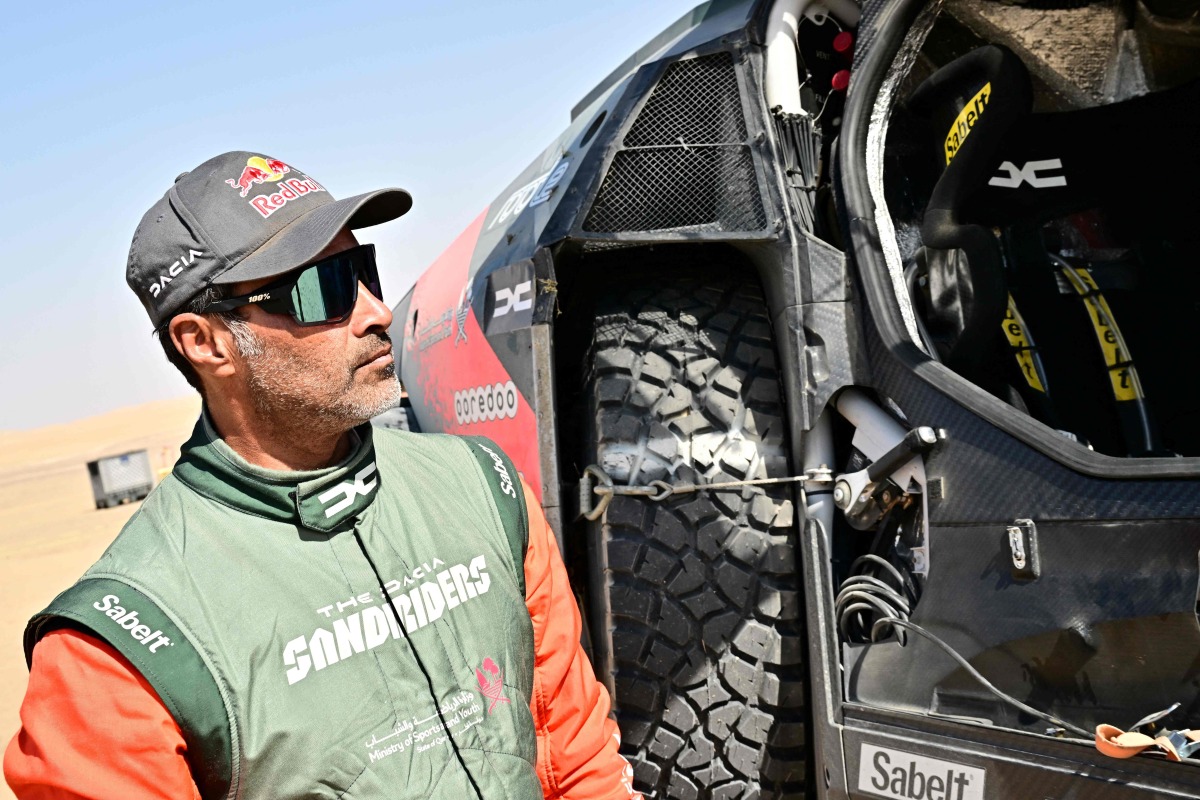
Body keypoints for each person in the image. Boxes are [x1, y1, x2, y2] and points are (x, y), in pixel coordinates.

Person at [4, 152, 642, 800]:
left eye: (365, 270)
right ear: (206, 342)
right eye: (325, 290)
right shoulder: (119, 648)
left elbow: (579, 756)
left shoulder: (484, 487)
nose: (377, 312)